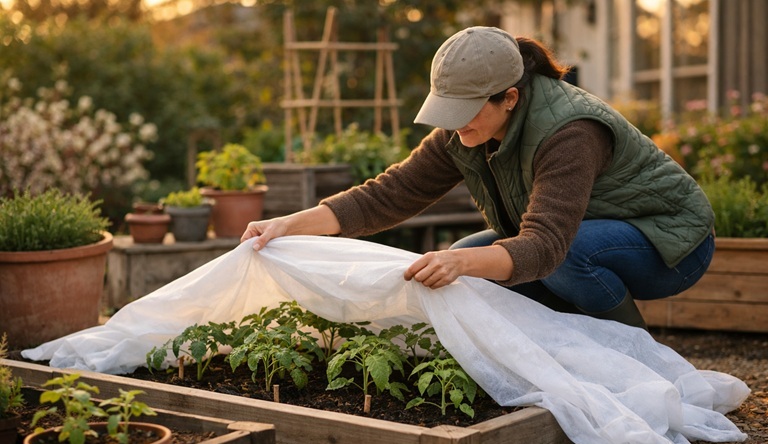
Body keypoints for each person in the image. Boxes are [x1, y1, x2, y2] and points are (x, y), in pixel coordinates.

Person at [241, 26, 715, 330]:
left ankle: (640, 358)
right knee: (463, 257)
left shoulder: (571, 131)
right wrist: (287, 223)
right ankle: (570, 347)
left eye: (466, 112)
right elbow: (387, 196)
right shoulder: (463, 132)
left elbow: (547, 245)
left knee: (555, 258)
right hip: (583, 235)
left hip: (670, 244)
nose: (455, 123)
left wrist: (464, 267)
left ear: (509, 98)